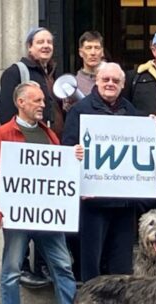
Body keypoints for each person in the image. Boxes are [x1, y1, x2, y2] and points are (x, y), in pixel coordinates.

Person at [0, 81, 81, 304]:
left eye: (43, 101)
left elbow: (58, 171)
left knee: (62, 267)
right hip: (17, 215)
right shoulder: (2, 134)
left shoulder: (49, 134)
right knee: (12, 268)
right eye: (36, 100)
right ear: (20, 103)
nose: (42, 105)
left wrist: (73, 157)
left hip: (48, 216)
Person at [62, 62, 145, 282]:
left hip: (124, 202)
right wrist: (74, 152)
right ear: (96, 81)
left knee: (121, 267)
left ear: (123, 84)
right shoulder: (80, 111)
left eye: (115, 81)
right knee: (92, 263)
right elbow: (66, 150)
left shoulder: (132, 112)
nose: (110, 84)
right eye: (106, 79)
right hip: (93, 202)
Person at [0, 27, 65, 288]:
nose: (46, 45)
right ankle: (24, 264)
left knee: (42, 209)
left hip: (48, 150)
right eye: (40, 42)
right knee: (23, 208)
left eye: (49, 41)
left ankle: (42, 264)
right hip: (23, 153)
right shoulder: (16, 72)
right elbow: (7, 114)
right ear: (29, 47)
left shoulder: (52, 74)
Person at [75, 31, 104, 96]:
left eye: (97, 48)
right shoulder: (74, 84)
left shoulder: (111, 81)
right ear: (81, 52)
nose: (93, 53)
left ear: (102, 52)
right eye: (88, 48)